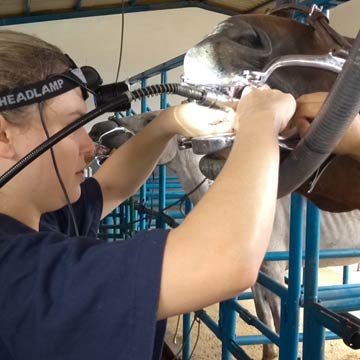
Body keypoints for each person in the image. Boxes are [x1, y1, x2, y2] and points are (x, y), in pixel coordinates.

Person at [0, 30, 356, 360]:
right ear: (4, 137)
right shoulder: (17, 273)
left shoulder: (37, 220)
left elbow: (110, 187)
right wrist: (260, 121)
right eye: (70, 126)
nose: (89, 146)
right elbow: (224, 260)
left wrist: (171, 124)